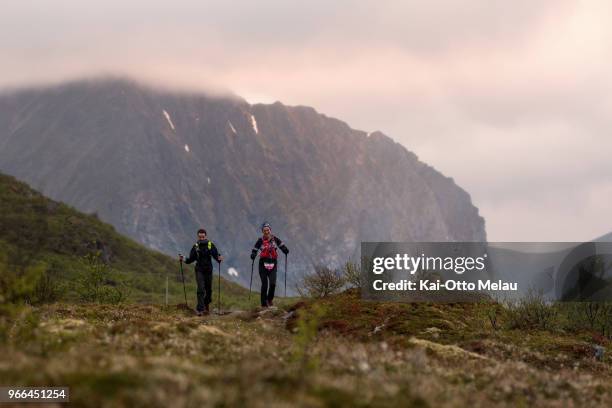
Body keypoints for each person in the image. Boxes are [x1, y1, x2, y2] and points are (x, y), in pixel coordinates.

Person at [180, 228, 223, 315]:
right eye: (200, 237)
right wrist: (183, 259)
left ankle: (206, 304)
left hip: (208, 270)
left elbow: (216, 257)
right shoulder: (195, 247)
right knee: (201, 289)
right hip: (199, 270)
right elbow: (190, 260)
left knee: (209, 291)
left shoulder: (211, 245)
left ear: (205, 236)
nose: (202, 239)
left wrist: (219, 259)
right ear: (198, 237)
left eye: (203, 237)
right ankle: (200, 309)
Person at [250, 222, 289, 307]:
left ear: (270, 230)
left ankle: (269, 300)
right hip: (262, 264)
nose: (266, 232)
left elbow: (281, 245)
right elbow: (255, 249)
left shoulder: (275, 239)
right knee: (264, 284)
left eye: (268, 230)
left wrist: (285, 250)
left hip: (273, 264)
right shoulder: (260, 240)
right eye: (264, 230)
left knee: (273, 284)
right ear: (262, 232)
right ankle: (264, 303)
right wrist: (253, 254)